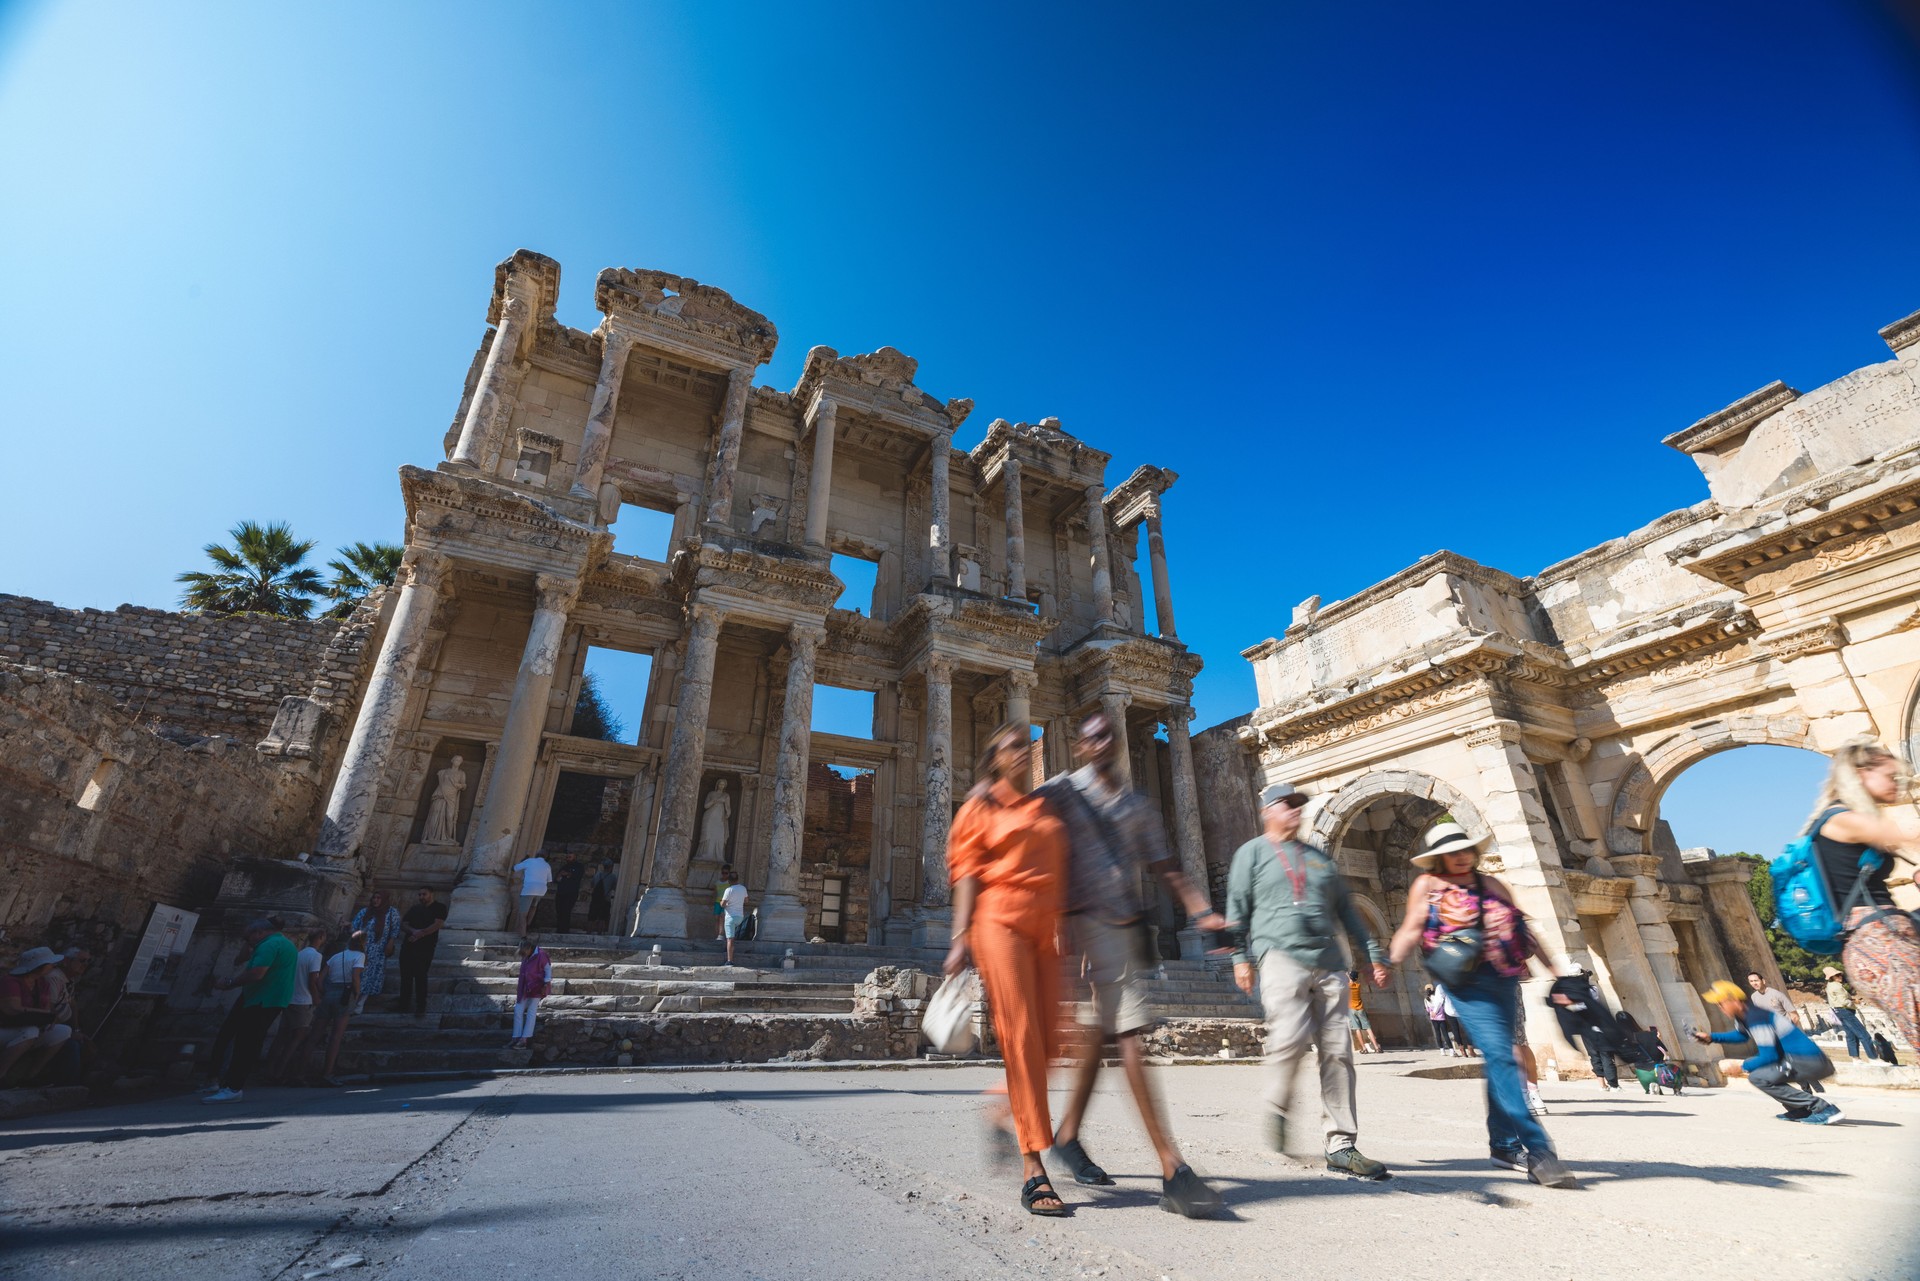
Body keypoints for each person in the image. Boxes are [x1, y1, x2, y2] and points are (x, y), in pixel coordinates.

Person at [1041, 711, 1225, 1218]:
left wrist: (1201, 911)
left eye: (1107, 735)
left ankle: (1067, 1135)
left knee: (1103, 1038)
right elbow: (1021, 829)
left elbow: (1164, 865)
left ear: (1117, 743)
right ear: (1079, 746)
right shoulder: (1061, 791)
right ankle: (1173, 1170)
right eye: (1090, 735)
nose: (1099, 742)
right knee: (1129, 1040)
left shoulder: (1136, 803)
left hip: (1123, 929)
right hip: (1085, 930)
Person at [1390, 822, 1576, 1189]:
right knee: (1504, 1056)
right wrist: (1385, 962)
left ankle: (1504, 1147)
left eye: (1465, 849)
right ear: (1439, 857)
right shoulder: (1427, 886)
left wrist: (1558, 972)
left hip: (1503, 978)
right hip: (1465, 982)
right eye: (1452, 851)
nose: (1461, 857)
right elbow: (1412, 927)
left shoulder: (1489, 883)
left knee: (1500, 1060)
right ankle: (1538, 1150)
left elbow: (1523, 930)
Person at [1227, 782, 1393, 1181]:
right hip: (1281, 958)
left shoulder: (1318, 860)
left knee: (1338, 1052)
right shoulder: (1250, 854)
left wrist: (1372, 953)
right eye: (1287, 805)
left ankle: (1341, 1144)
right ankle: (1278, 1105)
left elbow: (1347, 911)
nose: (1295, 811)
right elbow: (1237, 909)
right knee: (1289, 1039)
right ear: (1267, 810)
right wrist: (1240, 958)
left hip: (1329, 961)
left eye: (1299, 805)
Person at [945, 722, 1071, 1217]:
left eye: (1028, 744)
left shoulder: (1044, 807)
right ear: (995, 758)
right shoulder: (981, 805)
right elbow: (968, 875)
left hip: (1045, 929)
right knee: (1021, 1038)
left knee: (1054, 1041)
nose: (1023, 752)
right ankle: (1033, 1167)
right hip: (999, 923)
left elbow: (1058, 874)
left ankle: (1001, 1110)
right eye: (1013, 746)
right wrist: (959, 938)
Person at [1804, 738, 1920, 1052]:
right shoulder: (1842, 820)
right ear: (1860, 774)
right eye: (1891, 776)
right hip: (1883, 945)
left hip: (1881, 941)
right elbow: (1911, 836)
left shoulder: (1838, 820)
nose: (1899, 783)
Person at [1692, 979, 1841, 1124]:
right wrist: (1711, 1038)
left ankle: (1823, 1108)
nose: (1720, 1007)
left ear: (1735, 1001)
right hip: (1797, 1060)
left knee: (1758, 1077)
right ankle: (1801, 1109)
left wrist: (1742, 1066)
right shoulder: (1744, 1016)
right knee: (1761, 1074)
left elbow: (1770, 1055)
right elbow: (1741, 1036)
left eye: (1721, 1003)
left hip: (1808, 1061)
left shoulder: (1756, 1017)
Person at [204, 920, 297, 1103]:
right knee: (248, 1041)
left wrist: (230, 983)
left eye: (248, 937)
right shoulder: (283, 943)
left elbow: (257, 973)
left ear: (259, 932)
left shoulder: (269, 945)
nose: (247, 941)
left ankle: (233, 1087)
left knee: (245, 1042)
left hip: (263, 999)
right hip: (263, 998)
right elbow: (242, 960)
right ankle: (229, 1083)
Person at [0, 947, 75, 1086]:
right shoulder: (10, 982)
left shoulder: (42, 984)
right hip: (6, 1027)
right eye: (50, 963)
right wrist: (44, 1014)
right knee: (30, 1031)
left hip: (29, 1027)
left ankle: (30, 1076)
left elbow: (45, 1009)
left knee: (63, 1031)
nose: (53, 966)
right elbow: (11, 1008)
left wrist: (47, 1018)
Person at [264, 929, 326, 1083]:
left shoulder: (299, 954)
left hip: (289, 998)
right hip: (303, 1001)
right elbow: (312, 980)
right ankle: (280, 1073)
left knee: (281, 1037)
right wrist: (316, 997)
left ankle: (268, 1071)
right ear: (321, 937)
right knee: (297, 1038)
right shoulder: (316, 956)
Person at [1549, 965, 1619, 1090]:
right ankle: (1613, 1085)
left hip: (1583, 1026)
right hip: (1597, 1025)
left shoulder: (1569, 992)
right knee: (1606, 1054)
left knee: (1594, 1055)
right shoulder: (1591, 989)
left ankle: (1602, 1085)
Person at [314, 931, 366, 1085]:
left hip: (329, 993)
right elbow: (355, 977)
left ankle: (298, 1073)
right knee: (336, 1037)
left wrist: (324, 993)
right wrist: (356, 995)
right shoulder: (360, 956)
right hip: (345, 994)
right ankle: (327, 1074)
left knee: (314, 1036)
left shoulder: (336, 956)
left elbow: (319, 980)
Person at [350, 890, 402, 1013]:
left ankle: (360, 1003)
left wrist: (390, 943)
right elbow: (355, 927)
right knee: (358, 974)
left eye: (379, 898)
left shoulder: (391, 913)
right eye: (374, 898)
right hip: (362, 948)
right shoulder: (365, 911)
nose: (376, 900)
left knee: (372, 975)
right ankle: (352, 1001)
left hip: (378, 949)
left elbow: (395, 930)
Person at [398, 887, 447, 1016]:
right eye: (419, 894)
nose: (421, 897)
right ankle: (404, 1004)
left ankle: (421, 1006)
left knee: (420, 976)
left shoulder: (440, 908)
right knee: (405, 976)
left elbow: (438, 924)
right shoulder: (414, 908)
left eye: (424, 894)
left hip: (426, 947)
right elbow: (403, 924)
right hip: (409, 945)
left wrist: (421, 934)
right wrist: (414, 931)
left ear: (432, 894)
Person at [1823, 966, 1874, 1060]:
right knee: (1864, 1035)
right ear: (1832, 977)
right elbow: (1843, 1001)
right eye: (1837, 975)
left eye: (1840, 974)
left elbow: (1840, 999)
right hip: (1845, 1011)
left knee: (1851, 1035)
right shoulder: (1837, 986)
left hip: (1838, 1011)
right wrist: (1854, 1002)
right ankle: (1873, 1058)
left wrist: (1853, 999)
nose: (1840, 976)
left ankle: (1856, 1058)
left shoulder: (1829, 986)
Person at [511, 937, 551, 1049]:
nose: (523, 955)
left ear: (529, 948)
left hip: (537, 986)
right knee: (518, 1010)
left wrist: (545, 984)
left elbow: (548, 971)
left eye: (524, 952)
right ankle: (516, 1037)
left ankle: (524, 1039)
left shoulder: (542, 955)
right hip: (524, 986)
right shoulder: (526, 956)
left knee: (531, 1012)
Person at [510, 851, 553, 934]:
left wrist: (523, 860)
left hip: (529, 890)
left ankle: (523, 935)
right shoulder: (547, 865)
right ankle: (528, 926)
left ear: (536, 855)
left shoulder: (529, 861)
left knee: (522, 913)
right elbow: (549, 880)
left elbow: (513, 868)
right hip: (541, 891)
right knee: (533, 907)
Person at [1348, 971, 1381, 1055]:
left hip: (1352, 1009)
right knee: (1368, 1028)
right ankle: (1377, 1047)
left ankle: (1363, 1048)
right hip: (1360, 1008)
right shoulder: (1358, 986)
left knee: (1357, 1029)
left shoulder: (1347, 986)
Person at [720, 876, 749, 966]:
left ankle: (730, 960)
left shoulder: (729, 890)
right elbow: (746, 901)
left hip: (730, 917)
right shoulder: (743, 888)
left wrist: (723, 902)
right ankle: (729, 950)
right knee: (732, 937)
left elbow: (723, 904)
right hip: (740, 917)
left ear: (729, 881)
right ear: (737, 879)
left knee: (730, 939)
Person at [553, 855, 584, 934]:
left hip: (571, 893)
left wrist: (567, 874)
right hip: (561, 892)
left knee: (566, 911)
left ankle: (565, 930)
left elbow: (577, 876)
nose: (568, 859)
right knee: (559, 911)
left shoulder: (579, 867)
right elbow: (556, 879)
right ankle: (559, 929)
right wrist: (560, 875)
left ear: (574, 858)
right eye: (567, 857)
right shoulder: (564, 867)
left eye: (570, 857)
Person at [1424, 984, 1454, 1054]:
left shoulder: (1426, 999)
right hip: (1441, 1017)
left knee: (1438, 1034)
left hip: (1433, 1018)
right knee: (1445, 1033)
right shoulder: (1437, 997)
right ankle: (1451, 1050)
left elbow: (1428, 1010)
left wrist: (1432, 1012)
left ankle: (1442, 1050)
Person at [588, 861, 617, 933]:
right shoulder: (613, 877)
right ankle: (600, 932)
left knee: (591, 916)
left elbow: (592, 885)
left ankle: (589, 931)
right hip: (605, 899)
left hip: (595, 898)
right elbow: (615, 887)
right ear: (610, 867)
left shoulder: (597, 874)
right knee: (603, 917)